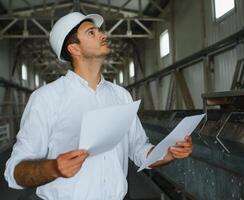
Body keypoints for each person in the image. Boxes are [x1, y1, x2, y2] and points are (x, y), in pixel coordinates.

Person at [4, 12, 193, 200]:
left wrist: (166, 153)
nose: (103, 35)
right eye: (91, 33)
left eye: (99, 31)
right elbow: (15, 172)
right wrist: (53, 168)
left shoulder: (121, 96)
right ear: (74, 49)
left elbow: (139, 149)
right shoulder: (46, 98)